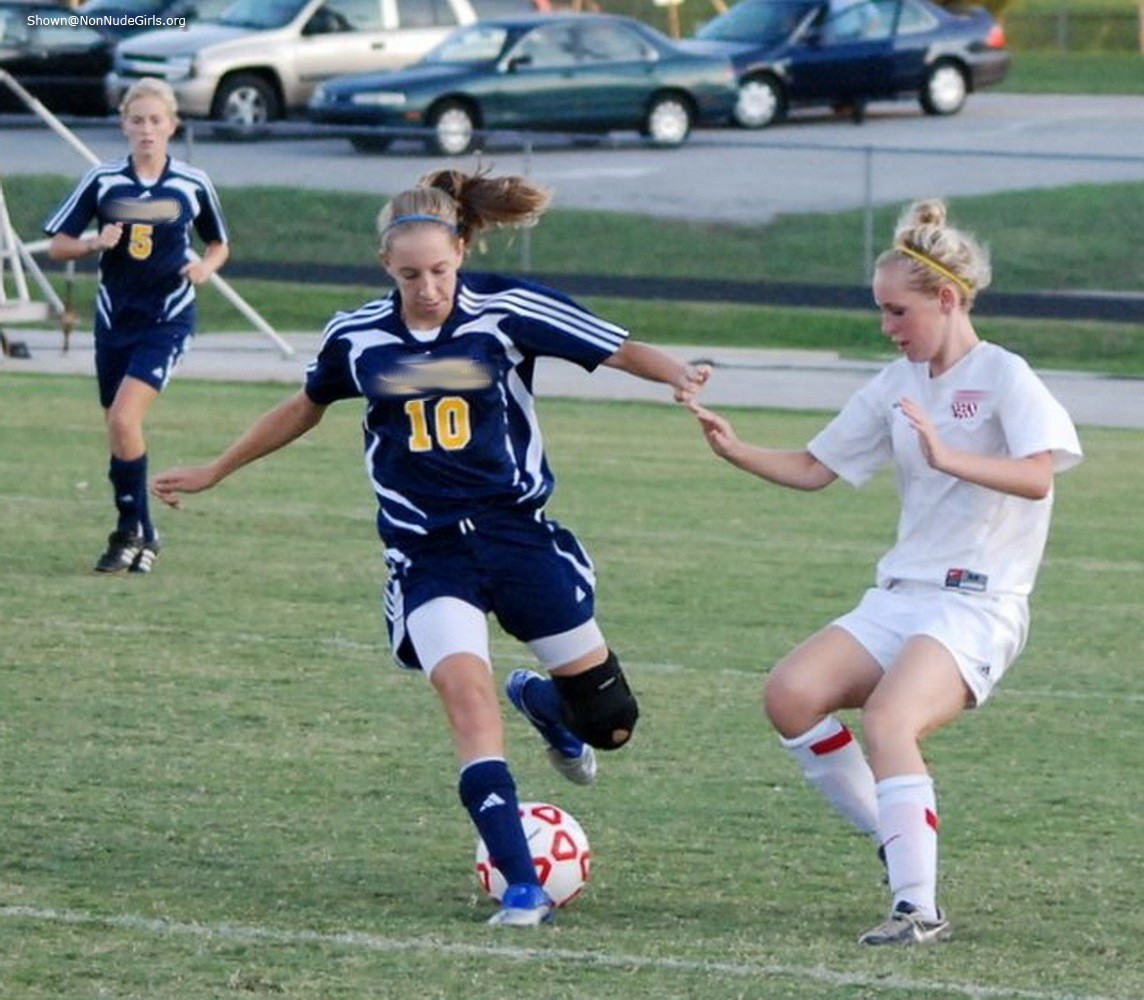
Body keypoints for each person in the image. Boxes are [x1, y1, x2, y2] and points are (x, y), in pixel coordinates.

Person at [152, 168, 710, 927]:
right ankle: (521, 888)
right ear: (387, 266)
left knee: (610, 725)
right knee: (465, 701)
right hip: (429, 554)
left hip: (518, 537)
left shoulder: (506, 312)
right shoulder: (357, 336)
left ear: (460, 254)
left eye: (440, 271)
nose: (427, 288)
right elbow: (304, 406)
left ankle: (542, 702)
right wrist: (219, 466)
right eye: (410, 274)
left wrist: (678, 373)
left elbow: (613, 347)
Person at [690, 199, 1082, 946]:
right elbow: (814, 468)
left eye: (897, 310)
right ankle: (897, 835)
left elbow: (1038, 478)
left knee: (889, 719)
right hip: (901, 595)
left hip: (979, 604)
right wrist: (736, 449)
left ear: (946, 298)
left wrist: (947, 455)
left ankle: (917, 907)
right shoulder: (895, 383)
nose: (887, 326)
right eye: (880, 311)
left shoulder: (1005, 375)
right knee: (791, 695)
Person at [44, 76, 230, 575]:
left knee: (126, 418)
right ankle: (143, 533)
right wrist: (92, 244)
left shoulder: (192, 183)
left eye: (156, 120)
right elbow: (58, 243)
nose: (146, 129)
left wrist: (205, 269)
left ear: (172, 126)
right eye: (137, 120)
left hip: (167, 318)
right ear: (124, 124)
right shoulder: (104, 181)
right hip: (114, 320)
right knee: (117, 428)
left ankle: (129, 532)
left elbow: (218, 244)